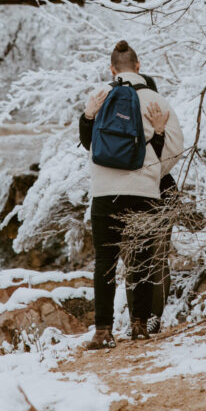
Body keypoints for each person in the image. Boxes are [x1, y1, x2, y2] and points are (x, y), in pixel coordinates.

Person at [79, 40, 184, 349]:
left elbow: (90, 145)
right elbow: (174, 151)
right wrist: (151, 172)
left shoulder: (100, 97)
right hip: (144, 192)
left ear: (112, 70)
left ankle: (103, 331)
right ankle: (138, 326)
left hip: (104, 192)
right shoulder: (157, 101)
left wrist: (88, 116)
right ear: (139, 67)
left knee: (105, 263)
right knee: (140, 260)